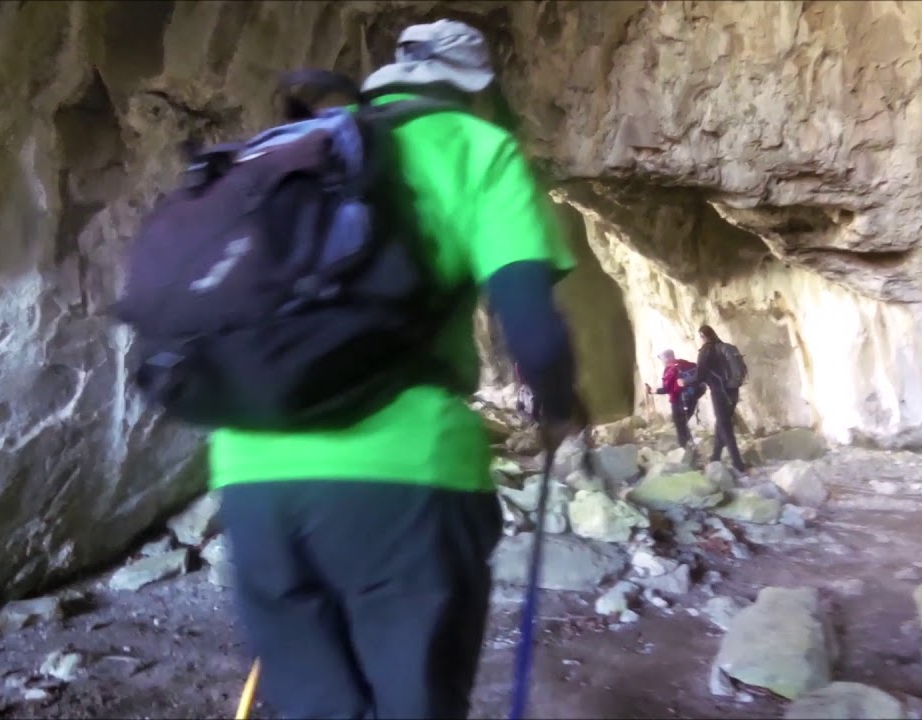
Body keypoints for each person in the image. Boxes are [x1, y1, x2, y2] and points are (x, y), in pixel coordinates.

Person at [210, 19, 583, 720]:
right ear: (474, 89)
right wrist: (561, 404)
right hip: (404, 479)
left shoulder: (305, 144)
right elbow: (531, 324)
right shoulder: (476, 146)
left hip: (251, 473)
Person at [688, 324, 747, 472]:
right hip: (733, 391)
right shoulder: (724, 347)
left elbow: (699, 376)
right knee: (721, 424)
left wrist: (684, 381)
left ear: (702, 336)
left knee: (725, 427)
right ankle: (715, 457)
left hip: (719, 392)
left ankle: (738, 464)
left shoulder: (706, 350)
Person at [645, 349, 698, 453]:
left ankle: (685, 450)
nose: (662, 361)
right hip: (692, 399)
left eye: (662, 358)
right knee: (683, 424)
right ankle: (691, 448)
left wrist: (651, 391)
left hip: (679, 401)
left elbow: (666, 389)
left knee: (680, 425)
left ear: (666, 358)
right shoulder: (685, 364)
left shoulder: (670, 369)